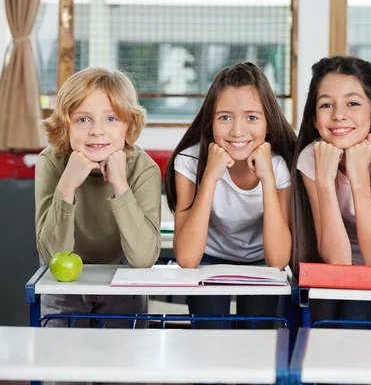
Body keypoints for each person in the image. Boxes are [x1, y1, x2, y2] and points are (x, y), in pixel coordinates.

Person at [164, 62, 296, 328]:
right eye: (224, 117)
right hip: (207, 256)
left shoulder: (281, 165)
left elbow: (278, 260)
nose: (237, 131)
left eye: (252, 117)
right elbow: (188, 259)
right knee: (209, 332)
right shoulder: (190, 160)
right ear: (210, 121)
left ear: (268, 122)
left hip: (262, 259)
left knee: (258, 334)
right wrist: (210, 178)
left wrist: (267, 178)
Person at [291, 55, 371, 324]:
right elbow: (336, 260)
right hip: (328, 265)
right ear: (314, 119)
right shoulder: (310, 157)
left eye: (352, 103)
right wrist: (325, 181)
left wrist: (358, 176)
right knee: (323, 330)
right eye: (326, 104)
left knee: (352, 325)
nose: (338, 115)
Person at [35, 67, 161, 328]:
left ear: (130, 126)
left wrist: (120, 185)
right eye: (83, 119)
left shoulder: (144, 168)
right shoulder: (50, 162)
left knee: (123, 362)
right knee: (61, 363)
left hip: (122, 280)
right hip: (64, 287)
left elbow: (143, 258)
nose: (96, 131)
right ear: (65, 125)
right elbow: (52, 256)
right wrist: (67, 185)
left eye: (111, 119)